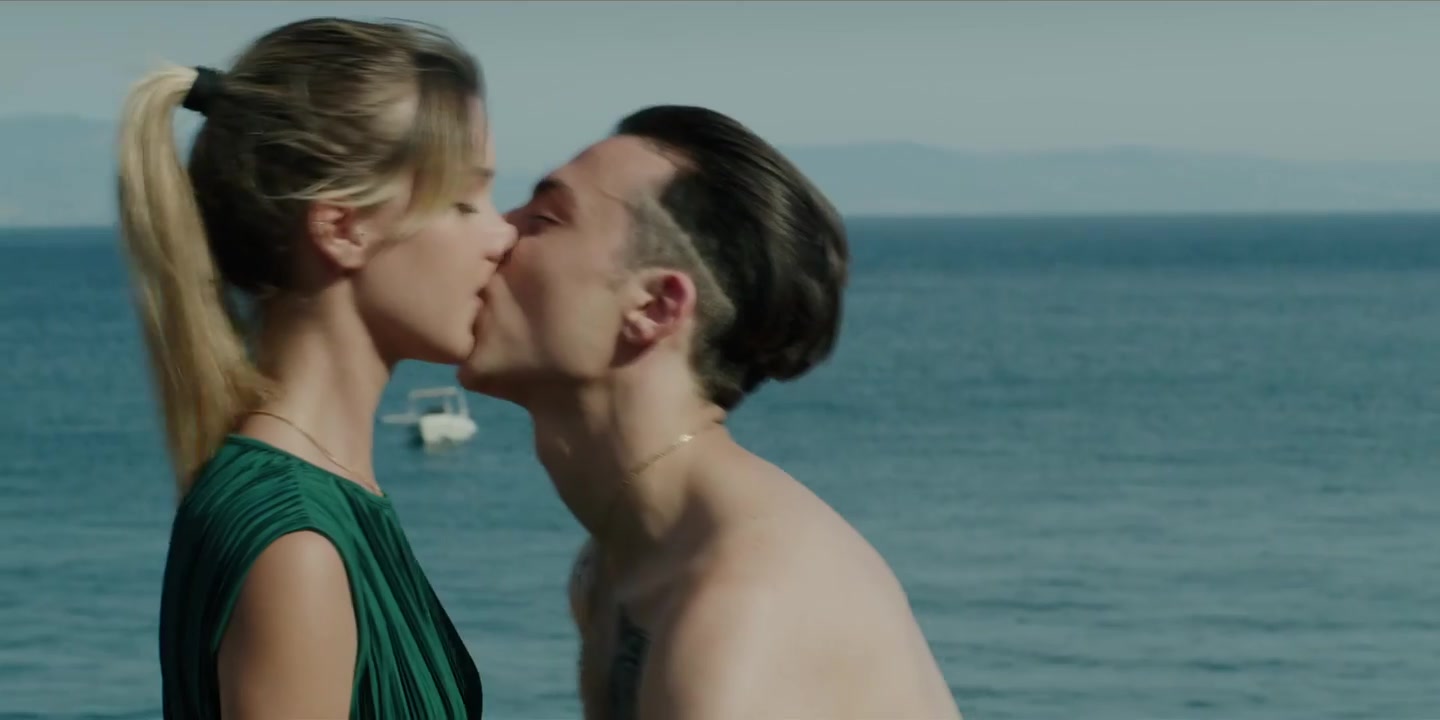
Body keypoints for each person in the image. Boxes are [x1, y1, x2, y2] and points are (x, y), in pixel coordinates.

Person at [458, 105, 961, 719]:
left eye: (542, 220)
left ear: (654, 306)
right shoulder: (617, 565)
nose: (495, 235)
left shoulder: (739, 612)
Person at [115, 17, 514, 719]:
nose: (502, 234)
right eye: (462, 202)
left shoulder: (316, 503)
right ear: (342, 228)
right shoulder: (298, 543)